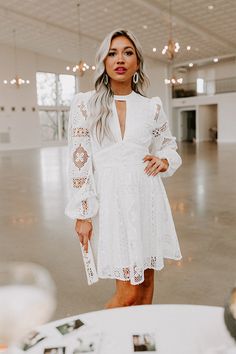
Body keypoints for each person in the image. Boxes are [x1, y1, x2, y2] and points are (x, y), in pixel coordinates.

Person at [65, 29, 182, 308]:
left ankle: (139, 346)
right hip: (113, 202)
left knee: (146, 288)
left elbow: (168, 146)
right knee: (128, 293)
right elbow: (79, 161)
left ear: (137, 63)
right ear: (104, 61)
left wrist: (164, 160)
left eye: (128, 52)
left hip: (147, 198)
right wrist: (84, 214)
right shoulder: (86, 104)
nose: (120, 59)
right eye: (113, 53)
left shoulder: (151, 106)